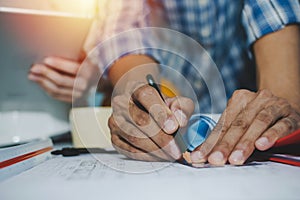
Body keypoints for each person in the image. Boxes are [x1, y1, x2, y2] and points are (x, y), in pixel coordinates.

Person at [94, 0, 300, 166]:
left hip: (243, 111)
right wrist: (138, 96)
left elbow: (274, 14)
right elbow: (123, 27)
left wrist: (282, 105)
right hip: (170, 96)